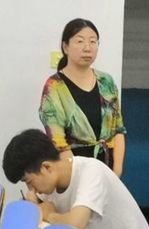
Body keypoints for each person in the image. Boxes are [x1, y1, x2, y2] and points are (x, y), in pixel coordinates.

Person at [2, 128, 149, 229]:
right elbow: (38, 210)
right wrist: (37, 207)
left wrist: (49, 214)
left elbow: (75, 223)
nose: (31, 190)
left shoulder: (91, 172)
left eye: (29, 181)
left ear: (46, 167)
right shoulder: (51, 185)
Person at [39, 18, 126, 177]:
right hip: (72, 172)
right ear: (66, 47)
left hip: (108, 172)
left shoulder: (106, 81)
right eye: (80, 41)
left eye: (93, 41)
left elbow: (118, 130)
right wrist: (81, 178)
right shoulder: (54, 86)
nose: (87, 48)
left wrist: (116, 173)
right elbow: (58, 142)